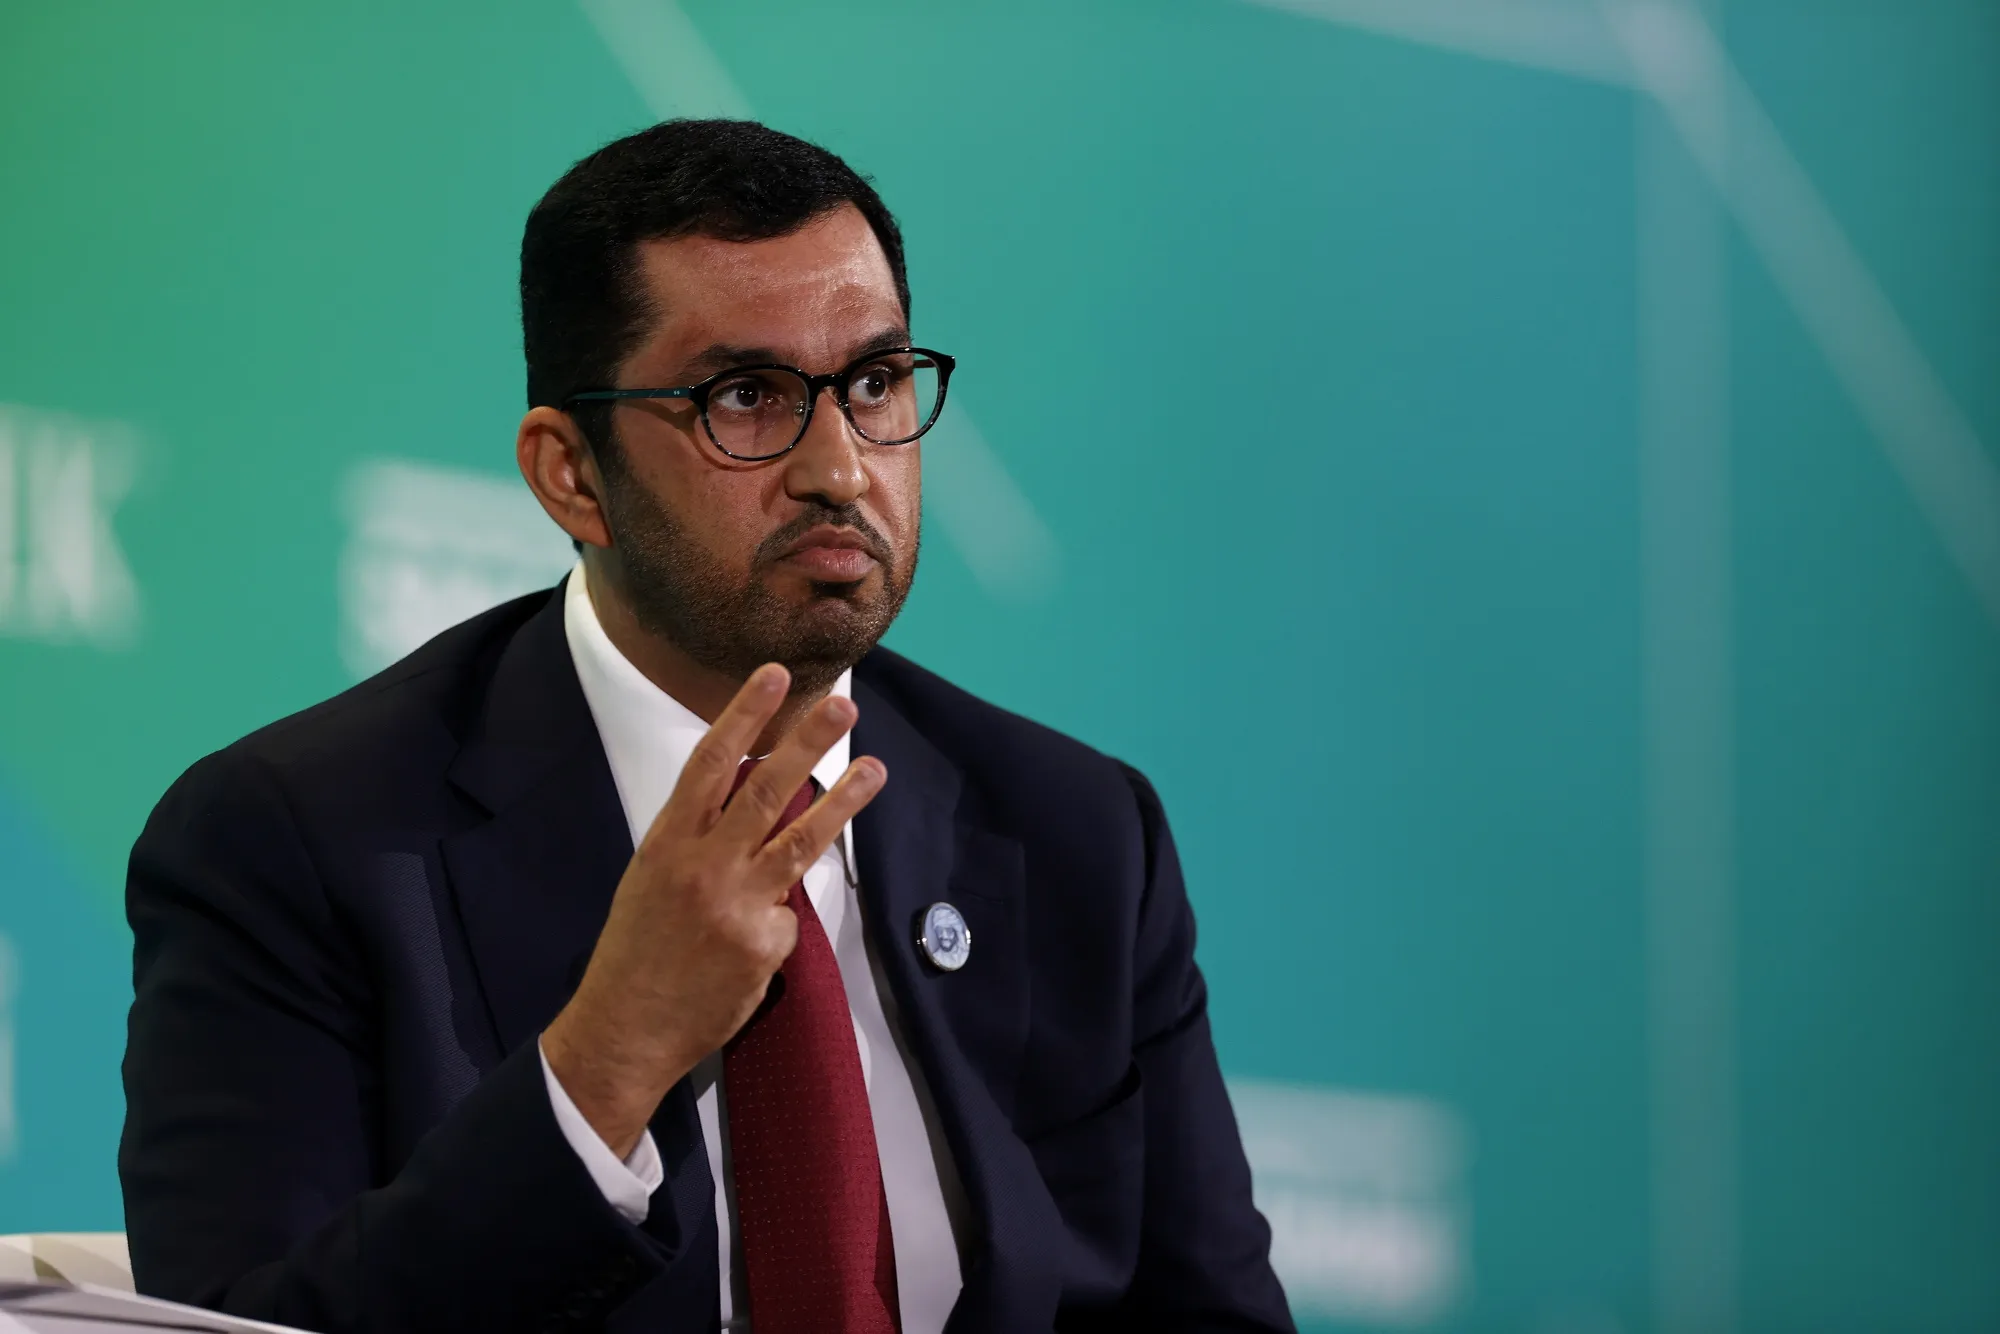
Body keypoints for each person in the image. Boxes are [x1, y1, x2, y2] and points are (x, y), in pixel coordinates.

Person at [119, 119, 1292, 1334]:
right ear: (572, 473)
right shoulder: (300, 842)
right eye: (745, 397)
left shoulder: (1078, 834)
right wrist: (609, 1055)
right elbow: (243, 1318)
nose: (840, 467)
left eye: (875, 382)